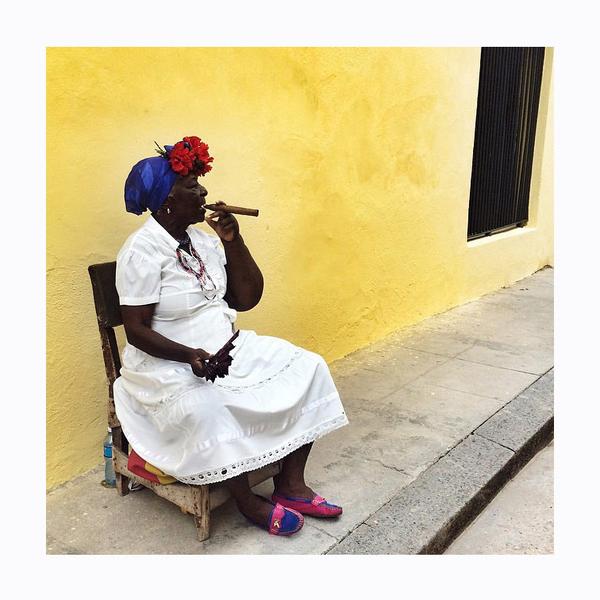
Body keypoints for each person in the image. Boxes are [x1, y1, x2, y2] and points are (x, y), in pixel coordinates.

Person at [114, 136, 349, 536]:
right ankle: (245, 501)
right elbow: (136, 331)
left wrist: (233, 241)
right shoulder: (142, 250)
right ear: (167, 199)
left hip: (226, 348)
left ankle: (290, 485)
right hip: (166, 363)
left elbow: (246, 298)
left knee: (308, 366)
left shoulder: (204, 240)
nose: (204, 191)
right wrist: (190, 355)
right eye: (192, 185)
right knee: (209, 407)